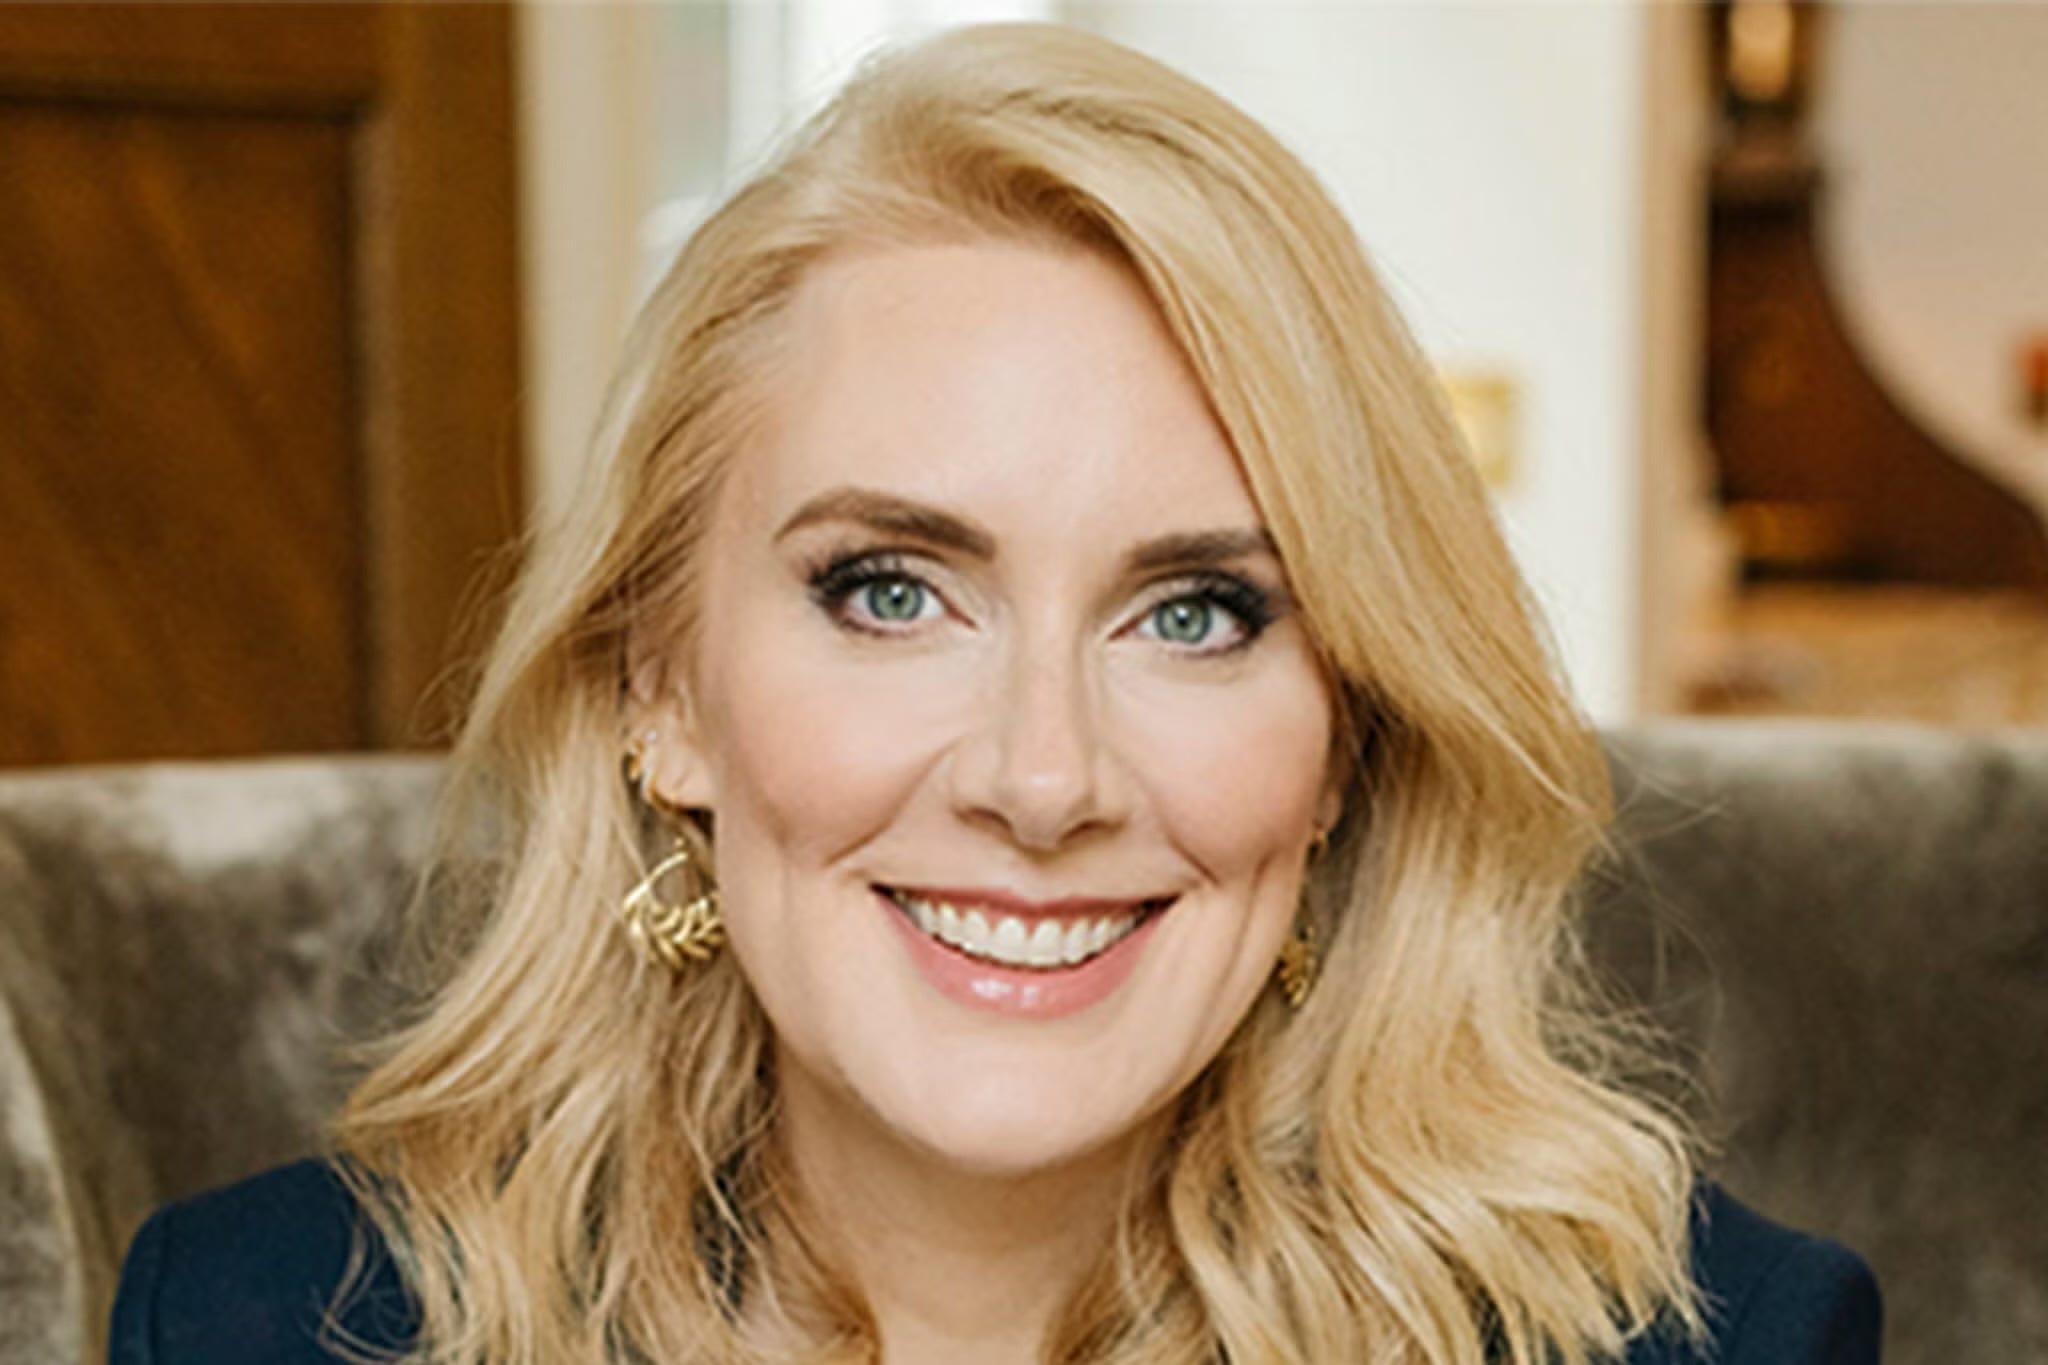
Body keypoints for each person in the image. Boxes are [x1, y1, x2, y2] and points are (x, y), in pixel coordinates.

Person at [108, 23, 1879, 1365]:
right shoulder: (261, 1322)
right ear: (664, 688)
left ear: (1347, 732)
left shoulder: (1715, 1341)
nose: (1043, 779)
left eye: (1195, 612)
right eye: (891, 591)